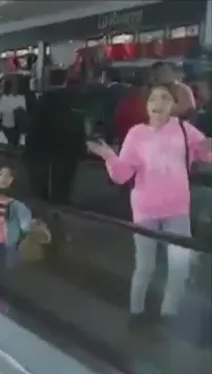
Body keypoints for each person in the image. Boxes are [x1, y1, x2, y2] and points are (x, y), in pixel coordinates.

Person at [88, 84, 211, 326]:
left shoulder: (184, 130)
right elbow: (122, 175)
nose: (158, 103)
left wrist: (207, 145)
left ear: (172, 105)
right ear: (146, 106)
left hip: (177, 209)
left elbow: (207, 153)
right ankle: (136, 312)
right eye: (153, 98)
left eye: (164, 98)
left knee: (179, 265)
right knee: (145, 265)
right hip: (145, 210)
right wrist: (108, 156)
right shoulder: (136, 134)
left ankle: (169, 312)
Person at [24, 68, 85, 205]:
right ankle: (60, 202)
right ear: (65, 80)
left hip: (40, 151)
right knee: (62, 183)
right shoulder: (72, 101)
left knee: (39, 187)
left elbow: (32, 129)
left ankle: (42, 204)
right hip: (65, 150)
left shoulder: (40, 104)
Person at [0, 79, 26, 147]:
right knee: (14, 143)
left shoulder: (4, 99)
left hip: (9, 126)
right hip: (15, 126)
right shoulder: (21, 98)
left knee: (12, 143)